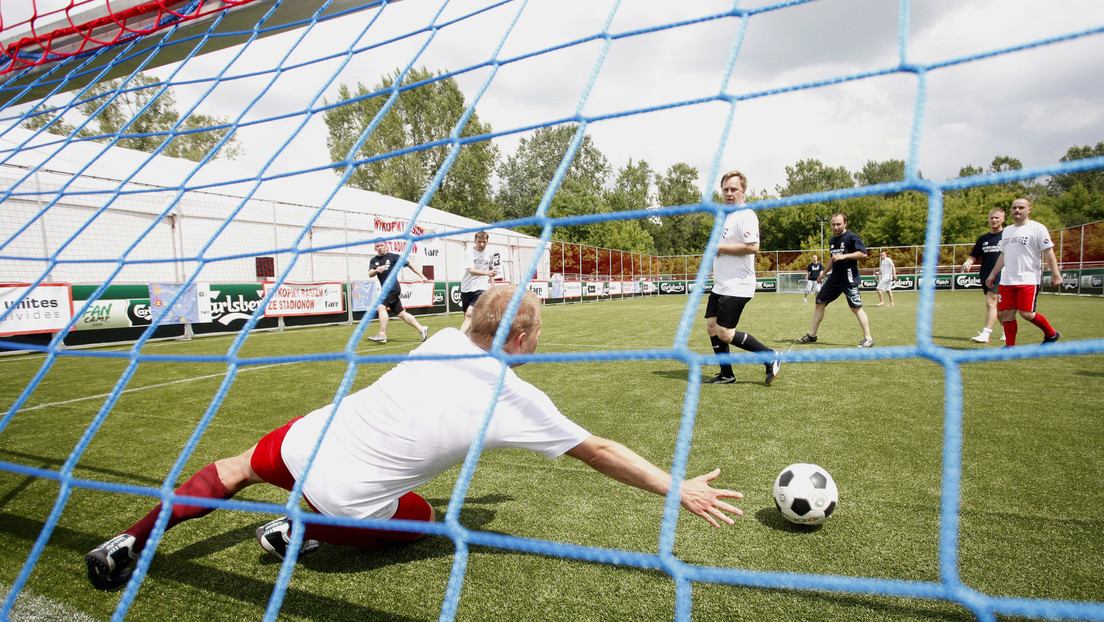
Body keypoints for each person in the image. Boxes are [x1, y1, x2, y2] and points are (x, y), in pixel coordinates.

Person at [84, 285, 745, 591]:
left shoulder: (445, 337)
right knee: (426, 517)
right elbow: (599, 450)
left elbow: (479, 313)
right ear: (518, 339)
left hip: (303, 441)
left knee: (232, 468)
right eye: (535, 330)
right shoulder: (513, 395)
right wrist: (675, 487)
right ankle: (302, 532)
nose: (538, 339)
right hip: (342, 494)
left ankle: (130, 541)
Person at [702, 170, 781, 385]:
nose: (729, 193)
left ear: (743, 191)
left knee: (725, 333)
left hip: (737, 285)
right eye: (725, 189)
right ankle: (726, 374)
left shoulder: (746, 215)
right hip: (721, 284)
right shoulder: (726, 217)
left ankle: (770, 356)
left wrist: (722, 248)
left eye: (733, 189)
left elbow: (752, 247)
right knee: (712, 326)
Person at [984, 198, 1062, 346]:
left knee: (1026, 314)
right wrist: (993, 274)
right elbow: (1003, 254)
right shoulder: (1007, 231)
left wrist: (1055, 274)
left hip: (1028, 278)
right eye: (1014, 208)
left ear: (1029, 210)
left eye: (1021, 207)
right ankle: (1010, 347)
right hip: (1007, 280)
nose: (1017, 210)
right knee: (1006, 314)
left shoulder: (1037, 228)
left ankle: (1051, 334)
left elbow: (1048, 252)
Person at [797, 212, 875, 348]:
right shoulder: (833, 240)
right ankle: (812, 335)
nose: (836, 227)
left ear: (845, 223)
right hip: (834, 279)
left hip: (849, 278)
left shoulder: (851, 237)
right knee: (819, 302)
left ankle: (868, 338)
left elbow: (863, 254)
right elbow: (832, 259)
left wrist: (844, 256)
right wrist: (823, 273)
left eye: (838, 224)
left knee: (855, 307)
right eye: (833, 224)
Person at [366, 240, 430, 344]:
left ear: (386, 246)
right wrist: (377, 270)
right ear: (375, 248)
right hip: (386, 289)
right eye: (377, 246)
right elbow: (370, 273)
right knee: (401, 313)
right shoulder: (374, 260)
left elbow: (410, 265)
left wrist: (422, 276)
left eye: (382, 245)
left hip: (392, 288)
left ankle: (382, 335)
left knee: (381, 307)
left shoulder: (393, 257)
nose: (380, 247)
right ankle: (421, 329)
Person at [962, 208, 1006, 343]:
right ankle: (1007, 330)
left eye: (997, 218)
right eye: (992, 217)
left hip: (1001, 274)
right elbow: (973, 256)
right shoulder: (983, 238)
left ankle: (986, 334)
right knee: (996, 307)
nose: (994, 220)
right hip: (985, 275)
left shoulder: (1007, 236)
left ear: (1003, 219)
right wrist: (967, 263)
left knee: (990, 302)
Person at [459, 231, 497, 334]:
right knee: (467, 317)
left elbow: (491, 269)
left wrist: (492, 285)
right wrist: (487, 273)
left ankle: (458, 337)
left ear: (487, 241)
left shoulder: (490, 254)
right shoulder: (469, 252)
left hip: (481, 288)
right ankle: (470, 338)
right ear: (475, 241)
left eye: (484, 242)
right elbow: (471, 271)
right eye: (479, 242)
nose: (481, 244)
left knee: (469, 314)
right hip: (467, 288)